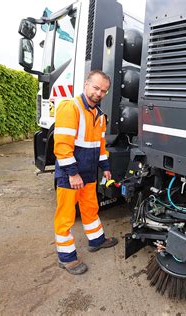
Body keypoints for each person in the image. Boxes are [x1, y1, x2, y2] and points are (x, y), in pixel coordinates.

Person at [53, 70, 117, 275]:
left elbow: (100, 145)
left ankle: (97, 240)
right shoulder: (71, 107)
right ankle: (66, 257)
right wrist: (72, 173)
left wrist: (105, 168)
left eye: (104, 91)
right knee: (66, 215)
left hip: (88, 174)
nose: (99, 93)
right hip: (70, 175)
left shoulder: (99, 116)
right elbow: (62, 145)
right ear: (86, 85)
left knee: (90, 208)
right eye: (96, 88)